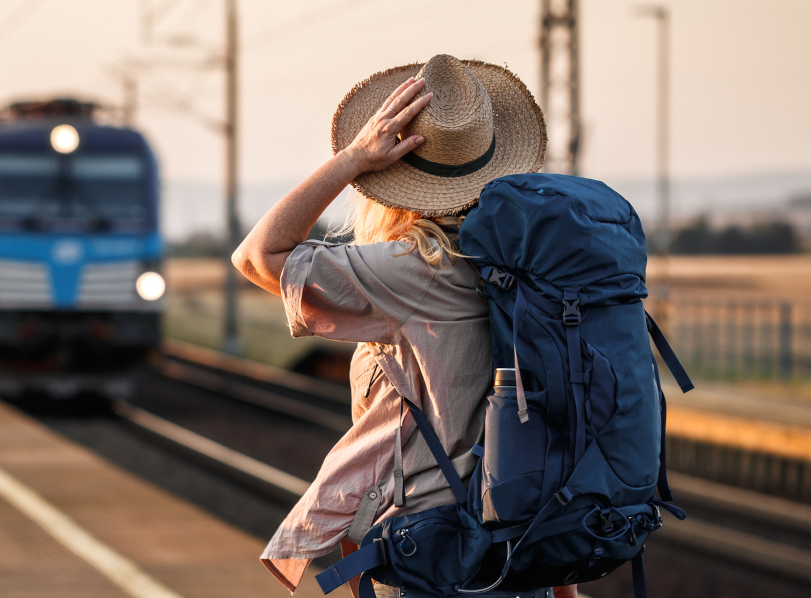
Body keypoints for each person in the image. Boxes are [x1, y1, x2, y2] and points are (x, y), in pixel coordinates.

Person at [231, 55, 574, 598]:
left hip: (432, 556)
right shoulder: (536, 266)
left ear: (394, 174)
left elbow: (258, 255)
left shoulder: (418, 269)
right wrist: (560, 585)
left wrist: (352, 159)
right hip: (520, 553)